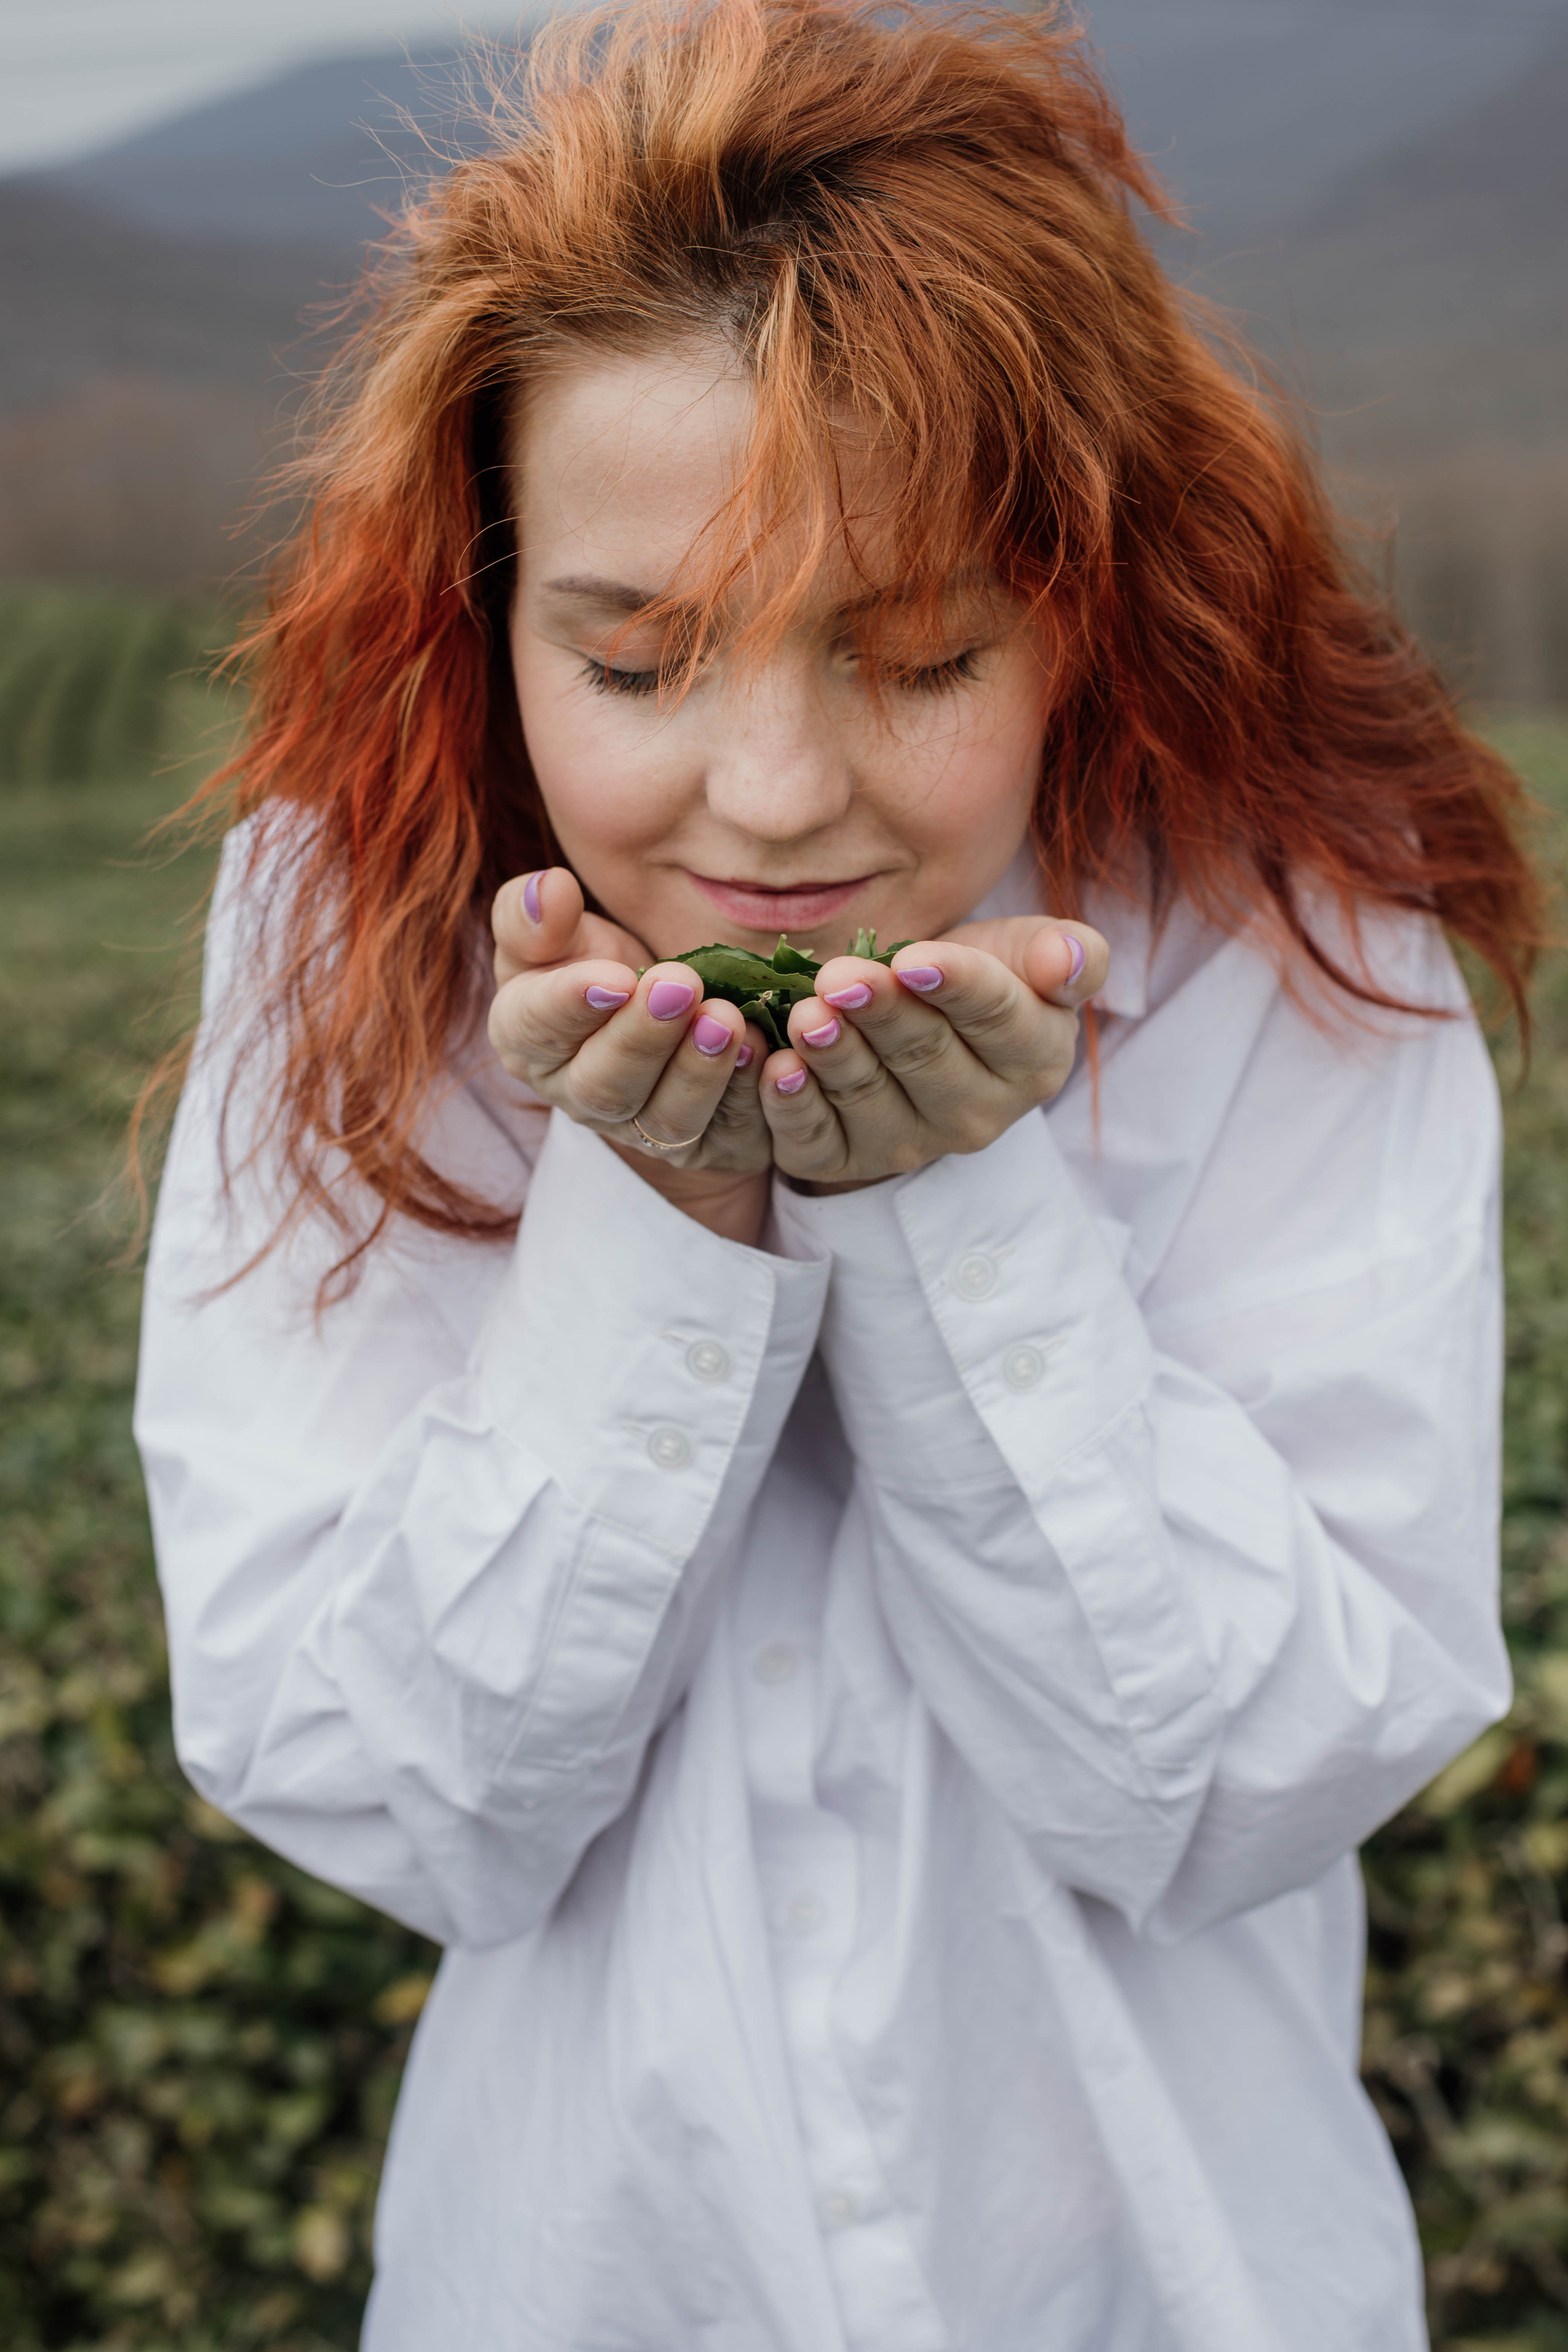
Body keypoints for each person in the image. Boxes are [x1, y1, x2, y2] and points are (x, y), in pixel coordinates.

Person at [133, 2, 1540, 2345]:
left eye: (917, 657)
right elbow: (398, 1802)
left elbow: (1238, 1791)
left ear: (1082, 601)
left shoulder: (1293, 925)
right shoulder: (347, 932)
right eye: (636, 665)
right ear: (485, 606)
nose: (776, 799)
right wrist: (657, 1228)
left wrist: (956, 1206)